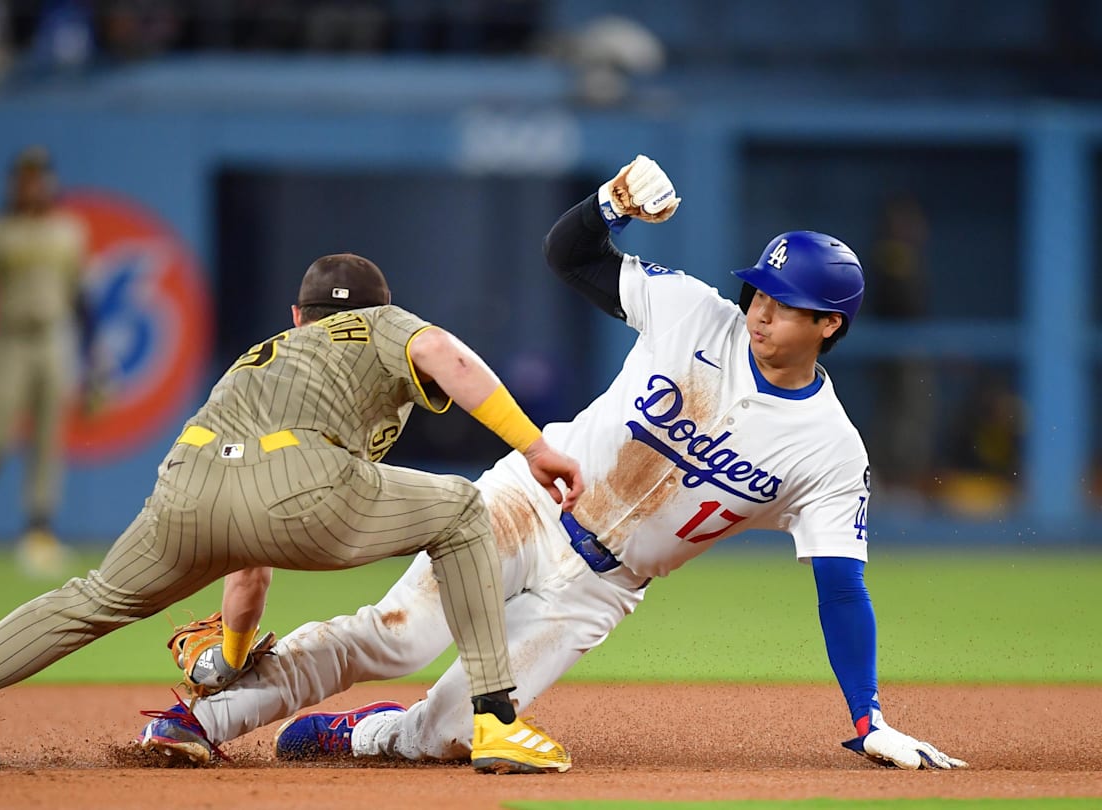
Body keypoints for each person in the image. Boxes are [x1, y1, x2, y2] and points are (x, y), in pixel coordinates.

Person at [136, 156, 968, 771]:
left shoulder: (829, 449)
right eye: (760, 291)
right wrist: (609, 202)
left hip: (602, 590)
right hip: (528, 505)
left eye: (787, 306)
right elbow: (568, 255)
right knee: (393, 638)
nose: (761, 311)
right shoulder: (691, 314)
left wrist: (868, 718)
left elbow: (840, 586)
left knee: (451, 738)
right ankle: (203, 722)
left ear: (830, 326)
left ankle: (367, 734)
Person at [0, 253, 585, 776]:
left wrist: (232, 655)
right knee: (459, 508)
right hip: (304, 485)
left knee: (87, 603)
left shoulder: (266, 355)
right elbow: (445, 353)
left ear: (296, 316)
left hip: (186, 487)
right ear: (374, 307)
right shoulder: (381, 325)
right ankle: (496, 720)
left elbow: (248, 551)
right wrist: (532, 446)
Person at [0, 146, 94, 579]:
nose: (33, 186)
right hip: (9, 339)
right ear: (14, 183)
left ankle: (38, 532)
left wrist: (93, 353)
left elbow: (81, 297)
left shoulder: (67, 230)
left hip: (52, 337)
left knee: (48, 439)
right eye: (25, 178)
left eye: (39, 177)